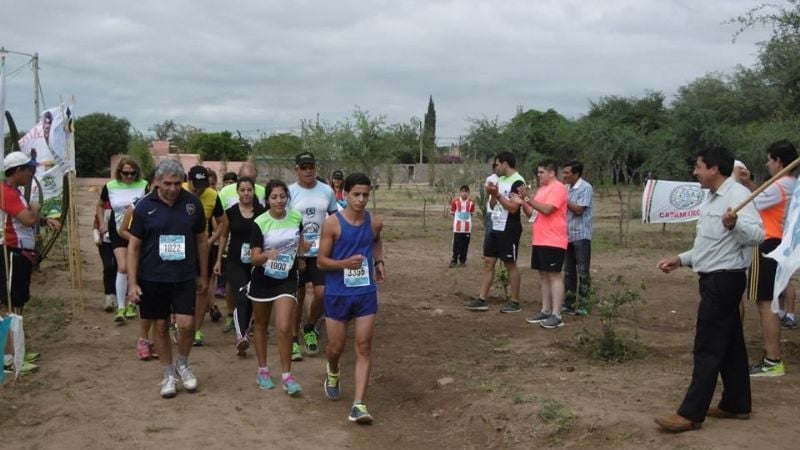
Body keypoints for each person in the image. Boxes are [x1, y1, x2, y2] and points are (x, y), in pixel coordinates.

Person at [654, 146, 763, 432]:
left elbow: (758, 236)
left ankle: (691, 413)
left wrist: (735, 224)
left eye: (699, 166)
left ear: (714, 168)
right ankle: (736, 403)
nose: (695, 172)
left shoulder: (737, 195)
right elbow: (708, 245)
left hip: (724, 280)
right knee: (731, 345)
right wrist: (680, 259)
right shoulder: (711, 199)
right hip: (714, 277)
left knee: (707, 346)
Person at [127, 159, 209, 398]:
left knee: (186, 324)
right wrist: (133, 283)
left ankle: (182, 364)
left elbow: (202, 240)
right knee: (160, 326)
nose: (173, 189)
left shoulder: (192, 204)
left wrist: (203, 274)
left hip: (184, 276)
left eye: (177, 183)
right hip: (153, 276)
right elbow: (133, 247)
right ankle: (167, 374)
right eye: (167, 184)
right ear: (157, 182)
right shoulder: (144, 207)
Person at [317, 172, 385, 424]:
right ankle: (333, 371)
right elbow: (321, 262)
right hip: (337, 293)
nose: (361, 200)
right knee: (336, 348)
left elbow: (376, 240)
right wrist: (345, 263)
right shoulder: (333, 224)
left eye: (366, 195)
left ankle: (359, 404)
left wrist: (378, 262)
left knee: (364, 346)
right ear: (344, 194)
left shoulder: (375, 222)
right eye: (356, 194)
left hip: (365, 292)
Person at [734, 140, 797, 377]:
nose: (767, 164)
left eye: (770, 160)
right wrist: (750, 183)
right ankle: (772, 359)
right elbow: (761, 198)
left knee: (765, 303)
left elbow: (749, 206)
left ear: (779, 161)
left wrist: (738, 186)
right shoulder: (791, 184)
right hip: (781, 244)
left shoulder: (779, 185)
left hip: (768, 244)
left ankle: (772, 360)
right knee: (769, 301)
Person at [1, 152, 60, 374]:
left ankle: (18, 348)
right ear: (18, 171)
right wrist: (35, 208)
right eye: (29, 170)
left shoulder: (14, 193)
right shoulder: (6, 193)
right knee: (10, 304)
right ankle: (10, 356)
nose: (31, 174)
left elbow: (24, 218)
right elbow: (26, 218)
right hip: (11, 253)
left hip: (20, 253)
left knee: (18, 302)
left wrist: (44, 220)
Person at [246, 179, 304, 395]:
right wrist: (265, 256)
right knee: (261, 325)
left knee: (283, 326)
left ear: (287, 197)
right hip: (263, 278)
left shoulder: (297, 217)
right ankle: (263, 370)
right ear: (267, 200)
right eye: (274, 197)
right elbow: (253, 259)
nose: (279, 201)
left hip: (287, 278)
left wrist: (301, 256)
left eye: (282, 196)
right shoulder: (259, 222)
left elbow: (300, 241)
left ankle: (287, 375)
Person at [289, 152, 338, 360]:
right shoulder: (290, 192)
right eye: (304, 167)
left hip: (320, 252)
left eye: (311, 166)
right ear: (297, 169)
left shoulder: (326, 191)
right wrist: (297, 247)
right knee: (297, 296)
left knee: (322, 293)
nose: (308, 170)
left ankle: (309, 327)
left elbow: (335, 218)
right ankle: (293, 340)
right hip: (295, 253)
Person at [465, 152, 526, 313]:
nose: (495, 168)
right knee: (488, 262)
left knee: (509, 264)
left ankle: (515, 301)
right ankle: (482, 299)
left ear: (505, 164)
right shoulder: (499, 180)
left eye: (497, 164)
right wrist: (492, 194)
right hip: (495, 226)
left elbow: (513, 208)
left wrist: (497, 194)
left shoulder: (518, 182)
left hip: (509, 227)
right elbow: (492, 205)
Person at [513, 160, 568, 329]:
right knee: (543, 275)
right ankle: (545, 309)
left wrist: (527, 198)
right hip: (540, 239)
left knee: (554, 275)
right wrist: (523, 202)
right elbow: (533, 214)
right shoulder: (542, 190)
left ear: (552, 173)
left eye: (542, 172)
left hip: (554, 239)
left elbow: (547, 210)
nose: (539, 175)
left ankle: (556, 314)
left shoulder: (558, 188)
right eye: (538, 172)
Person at [214, 177, 265, 357]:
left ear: (254, 191)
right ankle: (241, 335)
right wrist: (219, 260)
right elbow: (223, 236)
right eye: (242, 190)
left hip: (255, 263)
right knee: (241, 296)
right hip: (235, 261)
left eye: (249, 190)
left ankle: (245, 328)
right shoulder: (231, 212)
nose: (246, 193)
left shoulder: (262, 212)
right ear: (237, 192)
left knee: (251, 297)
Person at [95, 157, 148, 322]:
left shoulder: (144, 185)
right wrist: (101, 222)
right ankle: (121, 307)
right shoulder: (110, 186)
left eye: (133, 173)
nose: (129, 177)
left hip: (138, 229)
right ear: (119, 172)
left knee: (136, 266)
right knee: (123, 266)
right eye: (126, 173)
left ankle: (133, 302)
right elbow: (100, 205)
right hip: (117, 228)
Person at [185, 166, 227, 346]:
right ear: (189, 179)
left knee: (202, 288)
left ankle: (196, 330)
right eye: (196, 185)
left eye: (203, 185)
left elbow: (223, 222)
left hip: (202, 248)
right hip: (179, 247)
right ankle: (177, 324)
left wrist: (210, 240)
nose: (199, 189)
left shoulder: (212, 195)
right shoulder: (177, 190)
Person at [562, 160, 593, 316]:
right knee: (568, 271)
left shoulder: (585, 188)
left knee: (582, 271)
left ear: (576, 174)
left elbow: (579, 210)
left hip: (581, 235)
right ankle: (569, 303)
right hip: (566, 236)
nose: (565, 176)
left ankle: (584, 304)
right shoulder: (565, 188)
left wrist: (564, 199)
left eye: (567, 173)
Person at [93, 212, 116, 312]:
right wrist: (96, 234)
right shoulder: (103, 204)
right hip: (105, 242)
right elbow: (96, 221)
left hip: (120, 240)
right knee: (108, 267)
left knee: (119, 267)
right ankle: (108, 296)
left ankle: (116, 295)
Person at [449, 185, 475, 268]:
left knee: (465, 245)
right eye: (462, 191)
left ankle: (463, 261)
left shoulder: (471, 203)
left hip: (467, 229)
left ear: (468, 193)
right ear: (460, 192)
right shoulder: (455, 201)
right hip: (458, 228)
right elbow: (452, 213)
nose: (464, 193)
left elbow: (471, 214)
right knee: (456, 244)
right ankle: (454, 260)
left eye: (466, 192)